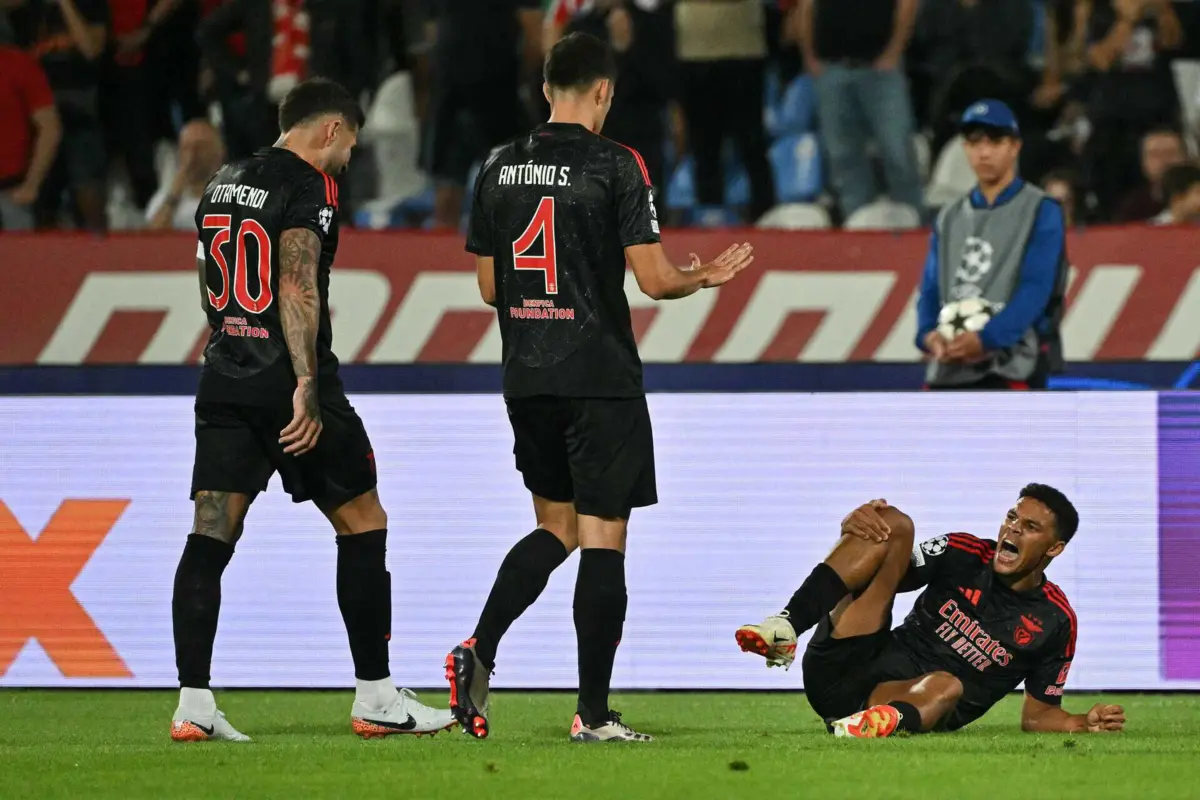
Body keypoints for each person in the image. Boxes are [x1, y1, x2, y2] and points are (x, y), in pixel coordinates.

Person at [449, 32, 754, 743]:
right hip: (599, 378)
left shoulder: (495, 165)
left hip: (526, 377)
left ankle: (479, 648)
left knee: (553, 528)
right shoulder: (617, 163)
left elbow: (492, 287)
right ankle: (592, 713)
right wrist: (700, 276)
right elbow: (652, 280)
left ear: (545, 87)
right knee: (603, 541)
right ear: (604, 92)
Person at [172, 78, 454, 743]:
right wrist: (303, 382)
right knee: (362, 521)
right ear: (331, 130)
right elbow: (296, 281)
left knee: (210, 532)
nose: (348, 161)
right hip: (292, 385)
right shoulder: (310, 184)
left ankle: (193, 702)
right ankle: (377, 697)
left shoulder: (224, 181)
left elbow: (216, 283)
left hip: (224, 377)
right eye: (350, 144)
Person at [737, 486, 1127, 737]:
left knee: (947, 685)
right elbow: (880, 569)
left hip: (896, 701)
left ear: (1054, 549)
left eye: (1030, 527)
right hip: (845, 667)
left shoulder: (1056, 621)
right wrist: (851, 531)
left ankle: (862, 729)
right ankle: (786, 627)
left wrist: (1081, 723)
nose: (1012, 531)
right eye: (1011, 517)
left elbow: (1038, 716)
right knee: (891, 525)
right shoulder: (964, 552)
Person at [915, 100, 1068, 391]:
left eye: (996, 141)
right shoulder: (949, 215)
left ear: (1015, 146)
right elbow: (932, 286)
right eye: (975, 142)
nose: (984, 152)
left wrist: (986, 338)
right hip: (950, 363)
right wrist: (928, 335)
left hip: (1014, 364)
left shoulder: (1041, 209)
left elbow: (1037, 287)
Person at [146, 120, 226, 230]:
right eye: (186, 148)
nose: (191, 156)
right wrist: (175, 194)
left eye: (199, 148)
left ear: (218, 152)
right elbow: (151, 240)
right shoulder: (163, 199)